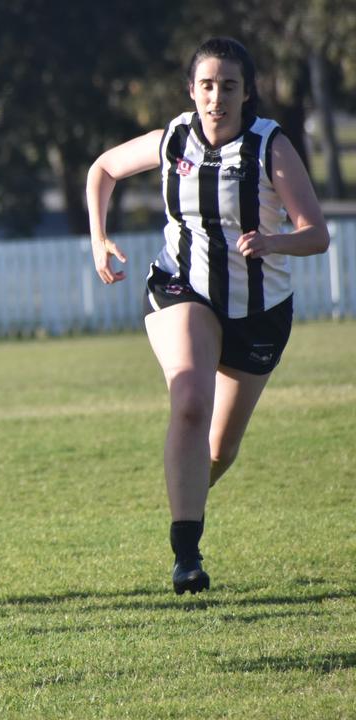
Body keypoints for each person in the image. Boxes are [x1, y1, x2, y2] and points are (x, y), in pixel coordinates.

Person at [86, 37, 328, 595]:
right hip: (182, 285)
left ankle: (188, 496)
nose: (217, 97)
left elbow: (315, 234)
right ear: (192, 90)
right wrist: (99, 240)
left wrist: (273, 242)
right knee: (191, 403)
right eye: (207, 85)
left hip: (260, 311)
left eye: (229, 86)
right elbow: (103, 169)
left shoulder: (270, 146)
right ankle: (186, 557)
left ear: (247, 94)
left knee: (220, 449)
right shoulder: (174, 137)